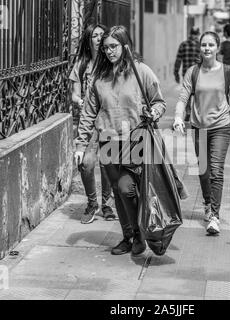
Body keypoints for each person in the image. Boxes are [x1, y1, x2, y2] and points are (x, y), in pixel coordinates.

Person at [74, 25, 166, 255]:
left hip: (135, 142)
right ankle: (130, 237)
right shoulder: (99, 78)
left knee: (127, 190)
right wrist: (80, 144)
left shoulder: (141, 71)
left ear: (125, 46)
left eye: (113, 46)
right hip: (108, 142)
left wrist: (153, 112)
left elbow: (159, 102)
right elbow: (87, 112)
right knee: (117, 190)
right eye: (105, 48)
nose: (109, 52)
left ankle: (140, 231)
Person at [173, 31, 230, 235]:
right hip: (199, 126)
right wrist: (178, 117)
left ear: (217, 48)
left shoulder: (226, 71)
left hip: (221, 127)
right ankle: (208, 203)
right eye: (204, 45)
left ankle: (214, 216)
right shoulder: (193, 72)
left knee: (216, 170)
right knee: (203, 169)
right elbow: (183, 98)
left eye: (210, 45)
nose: (207, 48)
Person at [69, 23, 116, 224]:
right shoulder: (81, 64)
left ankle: (106, 204)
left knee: (108, 164)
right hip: (87, 121)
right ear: (88, 40)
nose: (98, 38)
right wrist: (81, 101)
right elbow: (74, 94)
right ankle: (92, 203)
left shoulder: (111, 63)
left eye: (101, 35)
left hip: (108, 120)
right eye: (94, 36)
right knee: (86, 164)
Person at [174, 26, 201, 121]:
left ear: (190, 33)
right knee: (198, 94)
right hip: (198, 75)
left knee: (187, 94)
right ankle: (197, 114)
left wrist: (176, 73)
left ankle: (188, 111)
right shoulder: (200, 45)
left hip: (186, 74)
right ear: (198, 34)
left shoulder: (183, 44)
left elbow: (178, 60)